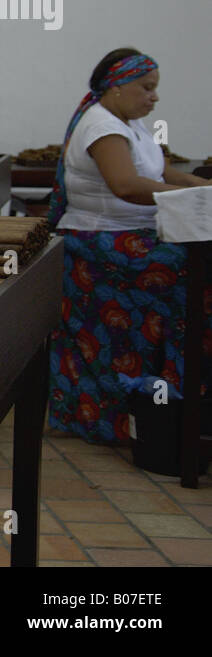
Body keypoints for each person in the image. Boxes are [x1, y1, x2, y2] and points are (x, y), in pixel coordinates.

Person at [47, 48, 212, 444]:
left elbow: (158, 170)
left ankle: (184, 402)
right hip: (100, 245)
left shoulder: (130, 124)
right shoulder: (103, 127)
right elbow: (126, 185)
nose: (154, 97)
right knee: (195, 277)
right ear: (117, 86)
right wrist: (187, 197)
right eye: (147, 88)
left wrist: (202, 186)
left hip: (129, 235)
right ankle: (165, 407)